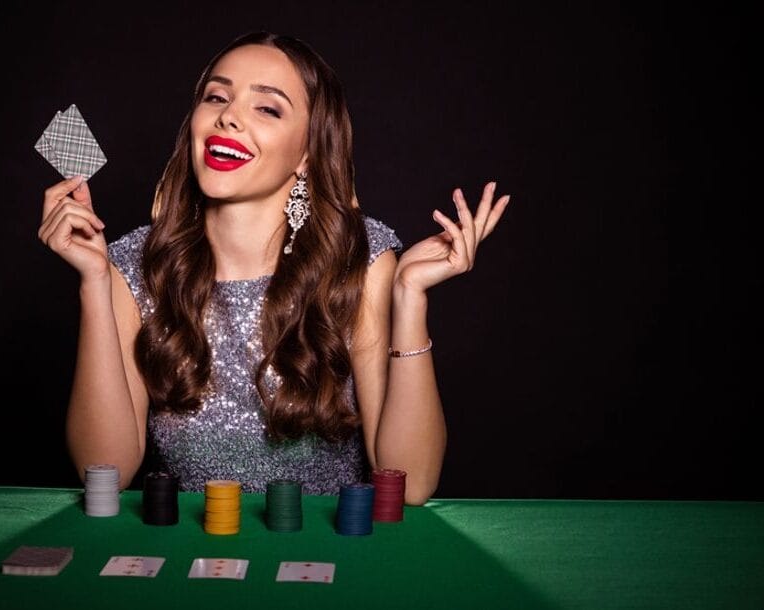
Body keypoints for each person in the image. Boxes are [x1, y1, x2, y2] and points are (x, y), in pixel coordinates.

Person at [38, 31, 509, 506]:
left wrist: (410, 297)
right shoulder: (133, 266)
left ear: (307, 153)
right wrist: (94, 282)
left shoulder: (362, 262)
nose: (229, 115)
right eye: (216, 97)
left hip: (328, 556)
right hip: (190, 560)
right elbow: (105, 471)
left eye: (267, 108)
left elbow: (411, 483)